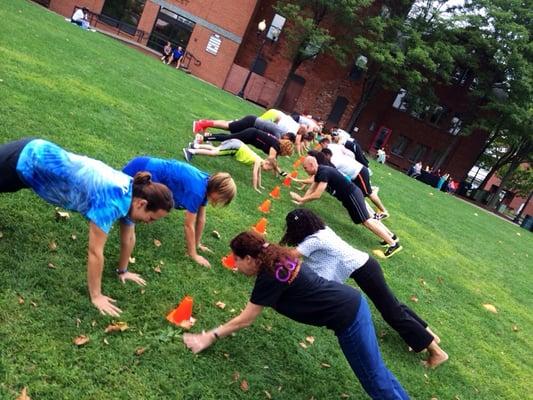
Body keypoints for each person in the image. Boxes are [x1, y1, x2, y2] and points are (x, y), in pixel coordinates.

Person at [183, 231, 410, 399]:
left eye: (237, 260)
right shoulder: (276, 257)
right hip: (352, 303)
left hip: (348, 317)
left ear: (250, 259)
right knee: (377, 372)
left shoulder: (269, 275)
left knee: (373, 380)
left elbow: (246, 319)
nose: (235, 266)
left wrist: (208, 336)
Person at [0, 138, 174, 316]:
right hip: (27, 159)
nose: (149, 223)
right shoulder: (112, 201)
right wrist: (96, 296)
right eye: (151, 218)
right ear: (141, 204)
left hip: (34, 161)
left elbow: (128, 237)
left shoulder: (132, 192)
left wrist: (123, 271)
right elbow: (95, 252)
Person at [280, 209, 448, 368]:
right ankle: (430, 336)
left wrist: (265, 250)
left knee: (391, 311)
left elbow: (291, 255)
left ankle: (436, 352)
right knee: (392, 305)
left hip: (365, 269)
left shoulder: (315, 240)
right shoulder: (321, 230)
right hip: (365, 266)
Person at [123, 157, 236, 268]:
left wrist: (197, 244)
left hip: (146, 165)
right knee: (122, 201)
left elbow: (201, 219)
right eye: (223, 198)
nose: (221, 201)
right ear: (217, 189)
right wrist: (193, 254)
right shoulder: (197, 191)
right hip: (142, 169)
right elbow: (189, 225)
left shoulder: (207, 186)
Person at [289, 156, 402, 258]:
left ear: (312, 165)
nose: (305, 170)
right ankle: (390, 238)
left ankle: (393, 244)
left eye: (305, 168)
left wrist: (301, 199)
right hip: (351, 195)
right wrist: (302, 201)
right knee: (367, 220)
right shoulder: (320, 171)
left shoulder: (323, 172)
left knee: (366, 221)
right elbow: (312, 188)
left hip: (351, 195)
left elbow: (317, 194)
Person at [182, 139, 276, 193]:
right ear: (267, 163)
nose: (266, 171)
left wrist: (260, 186)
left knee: (215, 149)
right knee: (215, 153)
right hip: (236, 147)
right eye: (268, 169)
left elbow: (259, 175)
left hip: (237, 144)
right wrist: (255, 188)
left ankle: (195, 146)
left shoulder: (260, 160)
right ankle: (191, 151)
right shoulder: (258, 161)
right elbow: (255, 174)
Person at [321, 147, 390, 220]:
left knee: (368, 193)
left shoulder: (334, 161)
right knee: (360, 194)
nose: (324, 160)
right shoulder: (335, 157)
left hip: (359, 172)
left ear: (327, 155)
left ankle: (383, 211)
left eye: (324, 157)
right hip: (356, 174)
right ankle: (369, 213)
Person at [193, 115, 293, 140]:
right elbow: (277, 142)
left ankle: (204, 123)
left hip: (252, 121)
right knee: (227, 126)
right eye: (288, 141)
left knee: (228, 125)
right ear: (287, 137)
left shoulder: (281, 130)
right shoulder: (279, 133)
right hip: (251, 122)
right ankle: (201, 124)